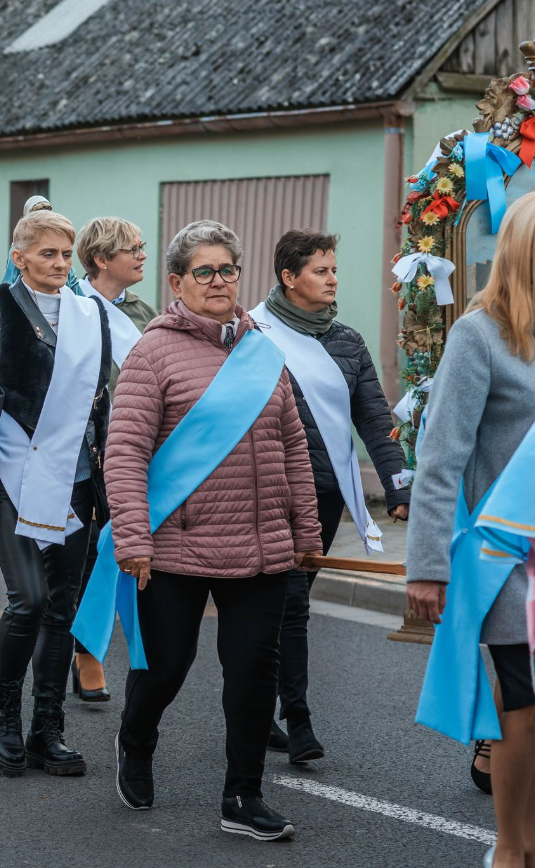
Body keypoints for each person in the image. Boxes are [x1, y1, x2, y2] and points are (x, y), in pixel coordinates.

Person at [95, 220, 320, 840]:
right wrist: (133, 539)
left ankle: (242, 797)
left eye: (227, 270)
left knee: (252, 674)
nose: (219, 281)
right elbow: (125, 453)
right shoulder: (153, 353)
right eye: (204, 271)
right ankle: (136, 739)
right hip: (177, 546)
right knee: (166, 667)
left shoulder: (262, 351)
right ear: (177, 282)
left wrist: (305, 530)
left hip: (261, 545)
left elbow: (293, 447)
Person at [0, 210, 112, 777]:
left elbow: (107, 397)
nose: (59, 264)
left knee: (62, 608)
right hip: (12, 474)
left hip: (75, 479)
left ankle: (47, 728)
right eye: (46, 254)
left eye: (65, 254)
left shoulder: (89, 314)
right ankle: (3, 714)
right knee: (29, 600)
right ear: (20, 258)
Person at [406, 191, 535, 868]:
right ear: (523, 251)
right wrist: (427, 565)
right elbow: (441, 460)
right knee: (524, 704)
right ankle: (512, 847)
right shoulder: (478, 335)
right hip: (509, 560)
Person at [249, 230, 410, 762]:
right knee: (291, 603)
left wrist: (398, 488)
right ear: (288, 277)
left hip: (325, 492)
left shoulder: (348, 341)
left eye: (334, 269)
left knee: (281, 607)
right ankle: (297, 719)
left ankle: (259, 709)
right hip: (269, 491)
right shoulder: (252, 333)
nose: (333, 279)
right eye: (321, 270)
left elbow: (375, 419)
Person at [68, 216, 157, 704]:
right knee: (88, 551)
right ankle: (87, 652)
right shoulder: (70, 306)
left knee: (126, 546)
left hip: (138, 447)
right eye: (132, 249)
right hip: (85, 450)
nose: (143, 255)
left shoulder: (145, 311)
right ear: (101, 259)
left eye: (142, 247)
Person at [3, 196, 79, 290]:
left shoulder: (62, 256)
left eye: (67, 255)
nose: (61, 264)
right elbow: (9, 279)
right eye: (48, 254)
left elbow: (74, 284)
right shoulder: (18, 247)